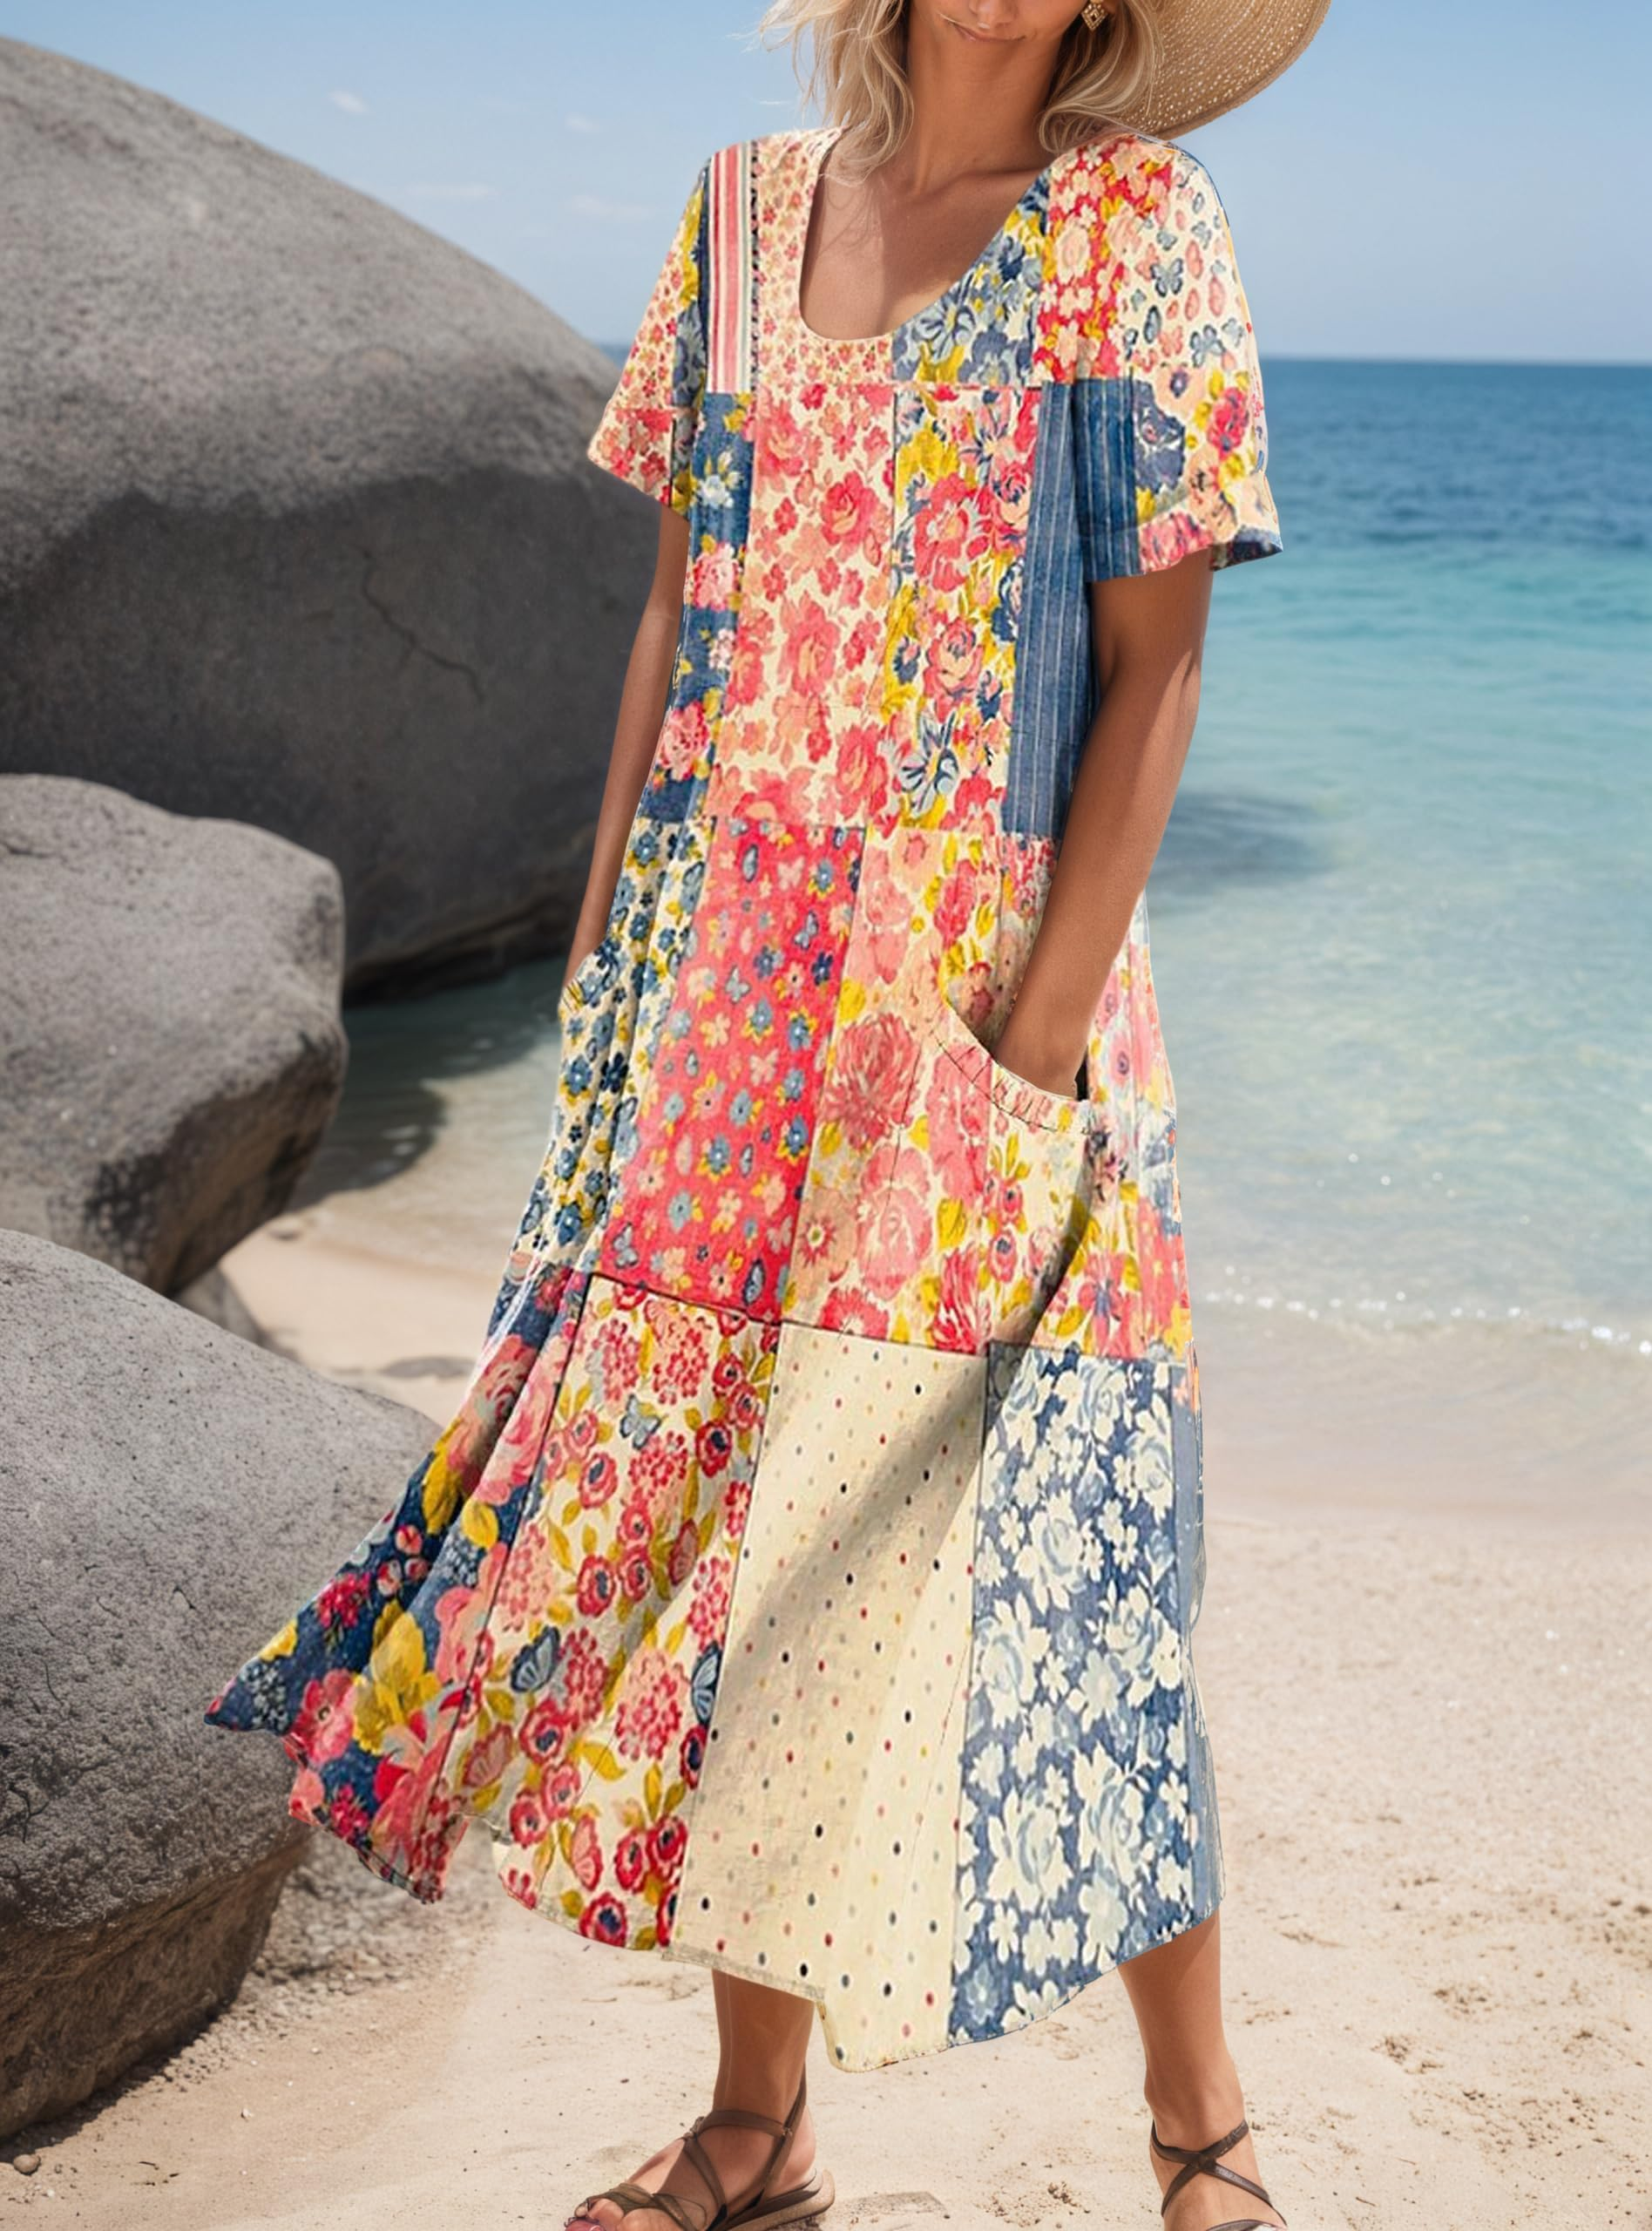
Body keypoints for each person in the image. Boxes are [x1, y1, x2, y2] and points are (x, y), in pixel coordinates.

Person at [203, 2, 1328, 2227]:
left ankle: (1203, 2128)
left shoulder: (1136, 226)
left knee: (1079, 1563)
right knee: (754, 1556)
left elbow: (1158, 664)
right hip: (722, 1008)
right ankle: (760, 2124)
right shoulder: (736, 216)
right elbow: (672, 612)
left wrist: (1031, 1045)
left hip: (990, 1004)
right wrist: (608, 950)